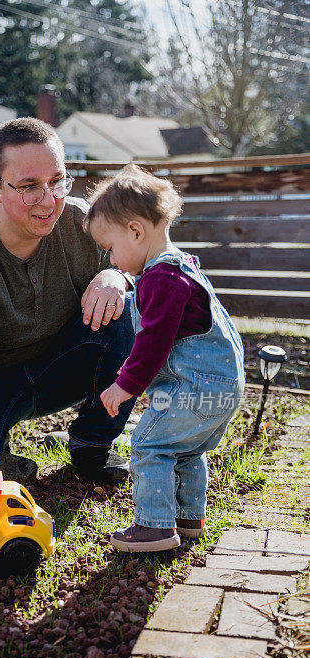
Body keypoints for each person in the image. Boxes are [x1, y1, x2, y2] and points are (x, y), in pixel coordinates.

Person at [0, 117, 137, 489]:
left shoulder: (85, 222)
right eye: (30, 187)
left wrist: (119, 277)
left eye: (57, 181)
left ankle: (92, 444)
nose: (49, 200)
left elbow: (149, 261)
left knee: (128, 307)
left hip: (58, 366)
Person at [84, 164, 245, 553]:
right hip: (223, 385)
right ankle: (189, 517)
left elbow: (154, 342)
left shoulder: (160, 278)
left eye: (110, 249)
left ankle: (154, 528)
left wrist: (124, 385)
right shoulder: (182, 266)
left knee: (149, 446)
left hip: (195, 386)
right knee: (185, 448)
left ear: (136, 232)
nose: (111, 261)